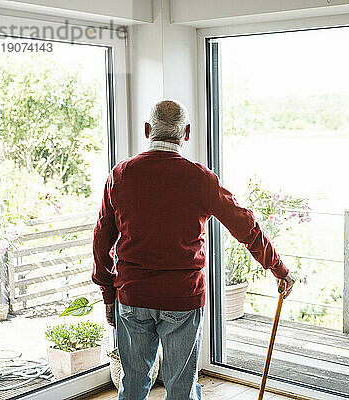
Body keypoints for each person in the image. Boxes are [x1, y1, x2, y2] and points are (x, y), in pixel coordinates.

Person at [91, 99, 295, 400]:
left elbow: (101, 240)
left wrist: (109, 295)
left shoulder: (121, 175)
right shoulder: (201, 179)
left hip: (133, 297)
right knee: (181, 389)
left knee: (132, 385)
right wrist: (279, 268)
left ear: (148, 130)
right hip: (183, 300)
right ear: (186, 133)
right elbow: (246, 227)